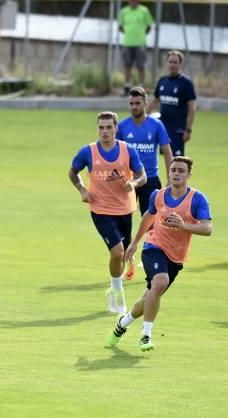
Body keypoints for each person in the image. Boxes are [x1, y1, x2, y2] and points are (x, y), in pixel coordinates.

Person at [107, 156, 211, 351]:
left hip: (176, 257)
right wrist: (135, 242)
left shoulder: (197, 199)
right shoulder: (158, 195)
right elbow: (149, 216)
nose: (176, 174)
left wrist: (183, 225)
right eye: (173, 170)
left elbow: (207, 228)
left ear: (189, 175)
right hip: (153, 247)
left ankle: (122, 324)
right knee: (160, 282)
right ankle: (145, 336)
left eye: (181, 171)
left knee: (148, 298)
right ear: (169, 172)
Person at [69, 111, 147, 313]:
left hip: (124, 209)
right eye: (101, 127)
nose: (105, 131)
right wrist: (82, 190)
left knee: (122, 255)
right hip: (100, 209)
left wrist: (133, 183)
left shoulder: (128, 150)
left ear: (116, 129)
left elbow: (142, 176)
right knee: (118, 251)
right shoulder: (87, 152)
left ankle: (114, 288)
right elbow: (72, 172)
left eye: (109, 127)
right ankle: (117, 291)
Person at [117, 86, 173, 216]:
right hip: (128, 180)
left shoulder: (156, 125)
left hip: (150, 179)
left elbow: (167, 152)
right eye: (131, 103)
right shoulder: (122, 126)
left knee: (152, 221)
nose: (134, 106)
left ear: (145, 103)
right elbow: (115, 154)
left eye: (137, 103)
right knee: (122, 218)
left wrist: (170, 180)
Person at [147, 50, 196, 157]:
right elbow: (154, 101)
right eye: (170, 62)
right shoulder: (162, 81)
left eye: (175, 62)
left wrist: (188, 129)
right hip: (164, 127)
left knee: (177, 159)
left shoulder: (186, 83)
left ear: (180, 64)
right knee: (165, 156)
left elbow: (192, 108)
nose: (172, 65)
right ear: (167, 63)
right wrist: (143, 117)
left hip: (178, 128)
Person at [118, 0, 154, 97]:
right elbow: (120, 27)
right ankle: (127, 87)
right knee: (127, 66)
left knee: (141, 66)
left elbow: (149, 26)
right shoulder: (124, 11)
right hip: (127, 43)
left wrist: (141, 35)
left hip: (140, 43)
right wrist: (129, 34)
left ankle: (141, 89)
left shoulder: (144, 10)